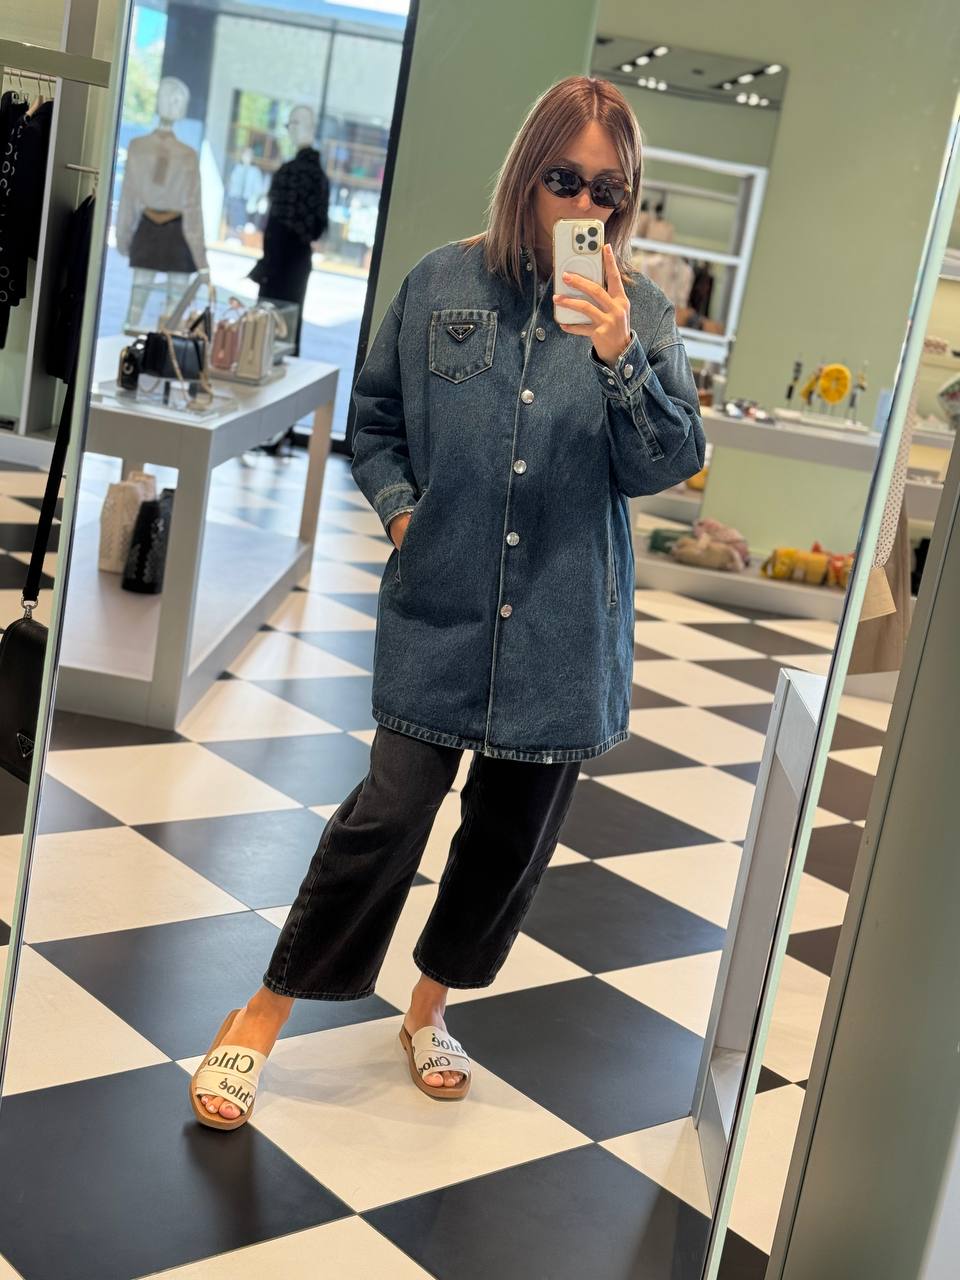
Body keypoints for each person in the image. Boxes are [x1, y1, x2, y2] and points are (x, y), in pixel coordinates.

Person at [190, 75, 705, 1129]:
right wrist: (401, 518)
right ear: (526, 174)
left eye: (608, 190)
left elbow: (667, 462)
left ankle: (428, 1008)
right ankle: (262, 1011)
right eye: (565, 178)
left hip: (563, 626)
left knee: (508, 838)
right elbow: (377, 419)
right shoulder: (439, 282)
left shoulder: (643, 312)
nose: (584, 205)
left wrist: (616, 356)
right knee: (387, 812)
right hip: (443, 607)